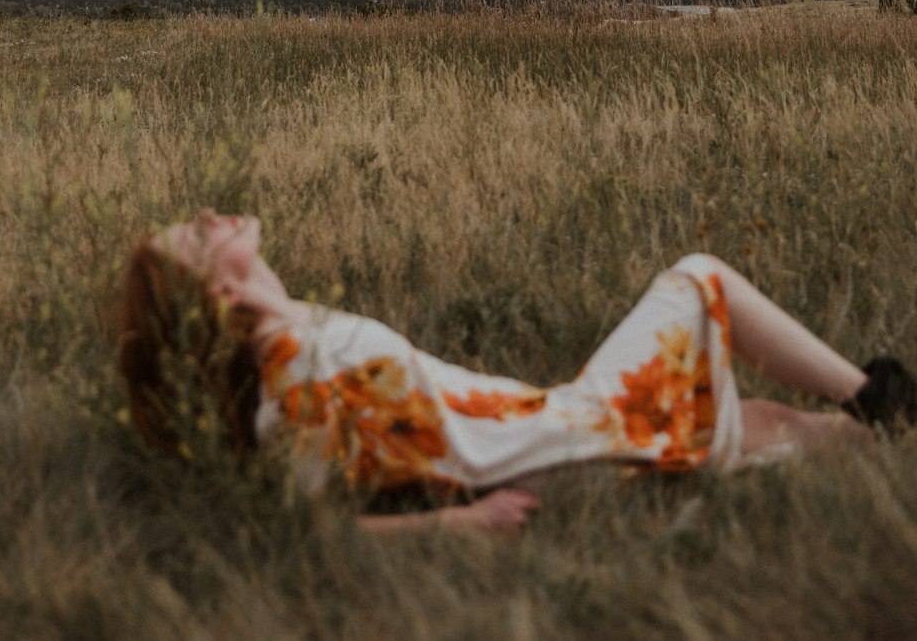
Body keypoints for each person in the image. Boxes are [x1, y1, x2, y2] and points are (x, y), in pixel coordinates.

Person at [118, 211, 917, 537]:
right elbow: (309, 525)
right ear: (219, 290)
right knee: (699, 277)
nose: (212, 215)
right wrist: (458, 526)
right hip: (561, 445)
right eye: (196, 232)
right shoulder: (296, 373)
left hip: (551, 421)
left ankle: (886, 426)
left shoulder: (301, 342)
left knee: (767, 425)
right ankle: (886, 403)